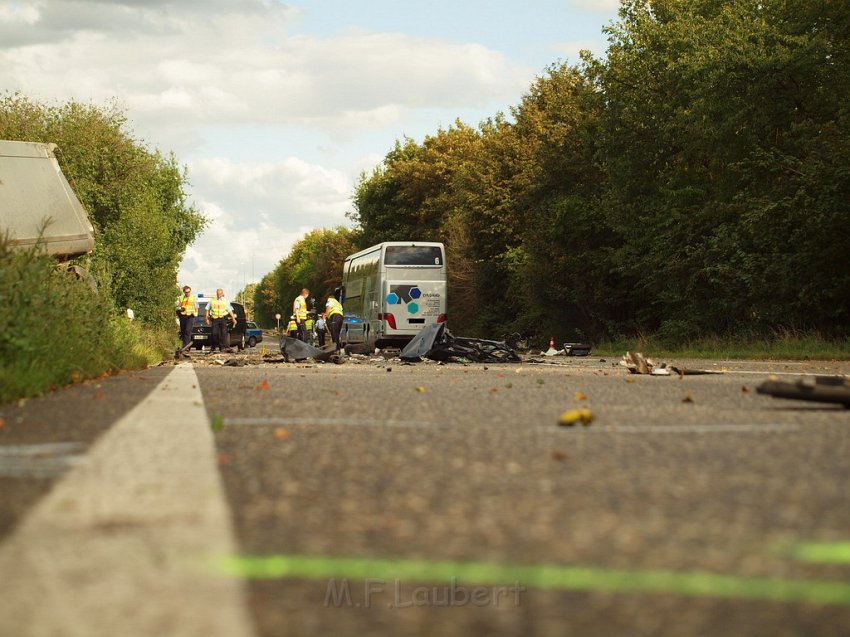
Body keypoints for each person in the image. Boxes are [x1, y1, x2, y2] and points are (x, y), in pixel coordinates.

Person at [206, 288, 236, 352]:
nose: (219, 295)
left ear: (222, 294)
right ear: (216, 293)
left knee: (223, 333)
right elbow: (207, 309)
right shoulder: (212, 300)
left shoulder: (225, 301)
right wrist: (207, 318)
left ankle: (222, 347)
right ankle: (213, 346)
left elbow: (230, 310)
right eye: (217, 293)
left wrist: (233, 318)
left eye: (220, 294)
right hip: (215, 318)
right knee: (214, 333)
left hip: (223, 318)